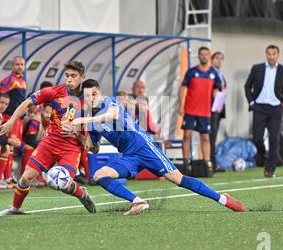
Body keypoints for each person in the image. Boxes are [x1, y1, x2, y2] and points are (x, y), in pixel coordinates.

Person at [67, 79, 244, 216]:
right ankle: (137, 201)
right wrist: (79, 136)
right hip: (129, 156)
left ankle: (223, 199)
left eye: (95, 94)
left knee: (178, 179)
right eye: (88, 96)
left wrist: (83, 120)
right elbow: (94, 148)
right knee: (100, 175)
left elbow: (112, 115)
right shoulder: (91, 121)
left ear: (100, 92)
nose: (93, 98)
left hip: (144, 147)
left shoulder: (110, 102)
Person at [0, 60, 96, 216]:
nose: (69, 79)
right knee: (25, 178)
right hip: (50, 143)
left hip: (71, 148)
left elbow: (90, 144)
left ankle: (82, 194)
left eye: (73, 76)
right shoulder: (55, 91)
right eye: (67, 75)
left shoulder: (90, 101)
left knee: (63, 184)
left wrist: (77, 134)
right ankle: (15, 208)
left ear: (82, 77)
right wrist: (11, 121)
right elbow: (28, 101)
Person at [244, 45, 283, 178]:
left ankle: (270, 169)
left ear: (278, 55)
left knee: (274, 138)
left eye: (274, 54)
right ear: (266, 54)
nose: (271, 56)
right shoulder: (257, 68)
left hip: (276, 108)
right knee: (257, 139)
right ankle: (266, 158)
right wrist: (251, 102)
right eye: (269, 54)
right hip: (259, 107)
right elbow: (248, 86)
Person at [179, 47, 222, 175]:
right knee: (187, 135)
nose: (203, 56)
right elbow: (183, 88)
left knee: (205, 137)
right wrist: (181, 105)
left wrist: (217, 105)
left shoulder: (214, 73)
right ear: (198, 56)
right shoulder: (191, 72)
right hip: (191, 109)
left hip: (205, 111)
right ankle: (186, 163)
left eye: (206, 54)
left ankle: (207, 164)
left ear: (209, 56)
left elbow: (218, 90)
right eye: (201, 54)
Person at [0, 56, 27, 184]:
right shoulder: (8, 80)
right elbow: (2, 98)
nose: (19, 66)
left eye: (21, 64)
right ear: (12, 65)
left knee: (13, 146)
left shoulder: (23, 81)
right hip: (9, 117)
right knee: (7, 146)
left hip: (18, 119)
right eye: (17, 64)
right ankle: (0, 177)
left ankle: (8, 176)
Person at [209, 52, 227, 172]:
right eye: (217, 58)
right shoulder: (210, 73)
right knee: (210, 138)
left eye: (221, 59)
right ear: (212, 59)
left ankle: (213, 162)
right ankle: (211, 163)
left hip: (218, 109)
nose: (219, 61)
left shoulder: (220, 74)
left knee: (213, 138)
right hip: (210, 109)